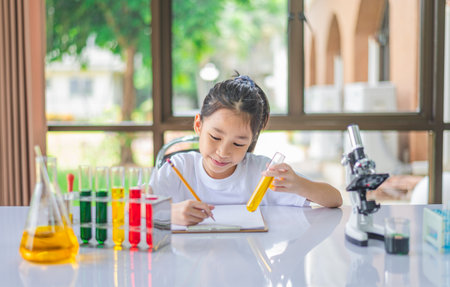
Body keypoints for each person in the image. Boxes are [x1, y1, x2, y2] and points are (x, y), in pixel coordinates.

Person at [150, 74, 342, 225]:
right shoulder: (179, 168)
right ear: (199, 125)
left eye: (239, 143)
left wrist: (301, 185)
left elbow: (335, 198)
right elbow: (132, 208)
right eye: (215, 137)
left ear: (252, 139)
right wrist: (169, 213)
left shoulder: (262, 174)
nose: (223, 152)